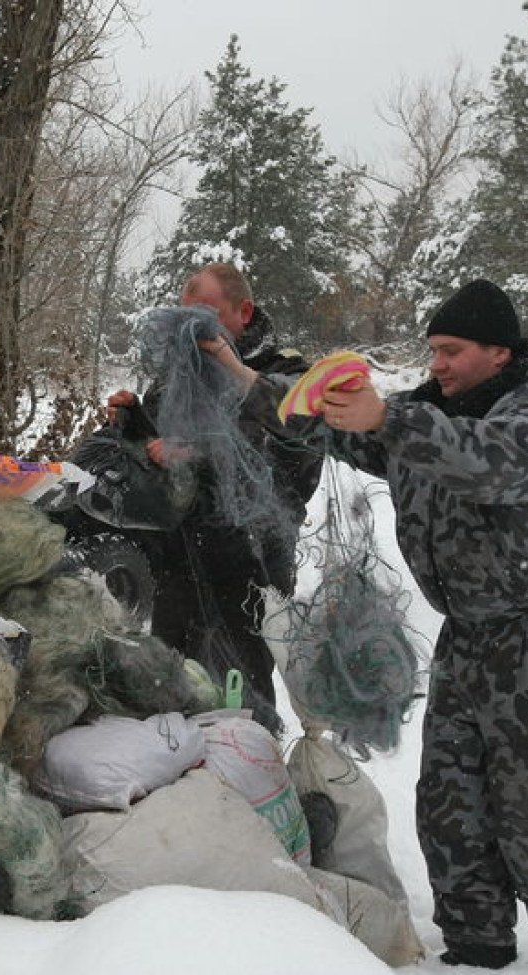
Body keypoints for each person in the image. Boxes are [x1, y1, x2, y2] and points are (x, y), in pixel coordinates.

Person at [218, 278, 528, 968]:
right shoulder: (430, 415)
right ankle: (476, 941)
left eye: (452, 351)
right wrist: (246, 376)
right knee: (451, 798)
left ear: (500, 351)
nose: (439, 364)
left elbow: (481, 463)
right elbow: (331, 426)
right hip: (471, 636)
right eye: (432, 351)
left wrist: (388, 419)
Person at [106, 263, 322, 722]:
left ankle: (251, 781)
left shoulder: (280, 373)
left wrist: (201, 453)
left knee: (238, 704)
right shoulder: (177, 375)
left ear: (242, 312)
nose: (191, 328)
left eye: (204, 314)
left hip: (249, 570)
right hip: (178, 565)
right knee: (172, 693)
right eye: (183, 316)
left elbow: (289, 470)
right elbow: (161, 449)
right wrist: (133, 424)